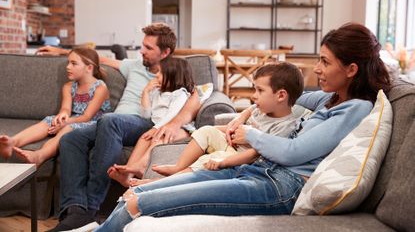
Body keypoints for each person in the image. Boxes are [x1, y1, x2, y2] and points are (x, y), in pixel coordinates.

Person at [94, 22, 391, 232]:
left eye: (325, 63)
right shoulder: (330, 97)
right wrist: (247, 111)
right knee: (131, 195)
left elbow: (293, 151)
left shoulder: (356, 108)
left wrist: (250, 134)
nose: (316, 69)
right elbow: (288, 95)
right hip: (259, 171)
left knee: (139, 203)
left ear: (351, 70)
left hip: (281, 187)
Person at [40, 23, 202, 232]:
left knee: (109, 120)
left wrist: (174, 123)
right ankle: (74, 211)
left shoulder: (172, 73)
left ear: (165, 52)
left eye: (148, 48)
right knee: (71, 139)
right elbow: (99, 59)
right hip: (114, 121)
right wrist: (61, 51)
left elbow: (196, 94)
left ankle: (90, 209)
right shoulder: (135, 65)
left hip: (142, 121)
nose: (141, 51)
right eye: (142, 45)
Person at [135, 62, 303, 187]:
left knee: (212, 159)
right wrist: (236, 120)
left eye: (260, 90)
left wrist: (223, 163)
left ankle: (157, 183)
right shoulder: (262, 108)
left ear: (281, 96)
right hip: (232, 143)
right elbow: (249, 111)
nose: (254, 96)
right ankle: (178, 166)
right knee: (205, 130)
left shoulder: (283, 127)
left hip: (241, 159)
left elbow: (252, 155)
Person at [0, 48, 111, 166]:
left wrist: (65, 124)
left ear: (89, 68)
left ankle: (39, 155)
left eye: (73, 63)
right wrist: (62, 116)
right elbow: (66, 109)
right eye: (68, 62)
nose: (68, 67)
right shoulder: (68, 86)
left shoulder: (100, 88)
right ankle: (12, 142)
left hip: (94, 123)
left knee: (68, 128)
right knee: (49, 120)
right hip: (75, 119)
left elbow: (87, 116)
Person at [107, 57, 196, 187]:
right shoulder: (157, 93)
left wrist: (156, 129)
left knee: (158, 137)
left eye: (160, 72)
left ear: (172, 76)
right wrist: (146, 92)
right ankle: (128, 175)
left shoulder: (180, 94)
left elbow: (173, 114)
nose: (156, 75)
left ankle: (141, 165)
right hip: (159, 128)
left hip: (182, 130)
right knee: (144, 138)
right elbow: (146, 114)